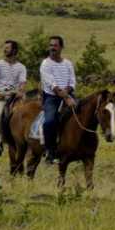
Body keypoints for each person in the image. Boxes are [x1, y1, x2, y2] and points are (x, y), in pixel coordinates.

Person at [39, 35, 77, 164]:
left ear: (61, 47)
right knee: (49, 121)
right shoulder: (46, 64)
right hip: (52, 97)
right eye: (51, 45)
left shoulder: (68, 63)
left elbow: (72, 81)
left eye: (55, 45)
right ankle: (50, 151)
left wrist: (68, 92)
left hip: (68, 94)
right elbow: (52, 85)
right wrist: (66, 97)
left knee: (84, 115)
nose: (52, 48)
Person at [0, 40, 27, 156]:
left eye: (7, 48)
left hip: (16, 96)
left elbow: (23, 82)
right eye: (5, 48)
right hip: (2, 95)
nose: (5, 50)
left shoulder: (21, 67)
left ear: (14, 50)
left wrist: (20, 91)